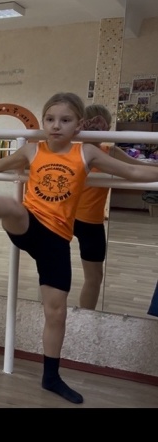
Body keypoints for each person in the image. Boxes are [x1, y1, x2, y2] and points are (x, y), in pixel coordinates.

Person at [0, 91, 158, 404]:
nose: (56, 126)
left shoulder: (87, 153)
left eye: (65, 120)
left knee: (56, 312)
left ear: (79, 125)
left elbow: (134, 171)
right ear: (43, 122)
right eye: (50, 119)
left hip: (56, 241)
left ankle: (51, 377)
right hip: (29, 225)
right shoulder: (33, 149)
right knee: (14, 209)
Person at [73, 104, 149, 309]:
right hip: (66, 218)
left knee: (94, 277)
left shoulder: (109, 152)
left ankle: (84, 317)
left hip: (88, 221)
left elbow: (138, 168)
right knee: (70, 274)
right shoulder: (71, 149)